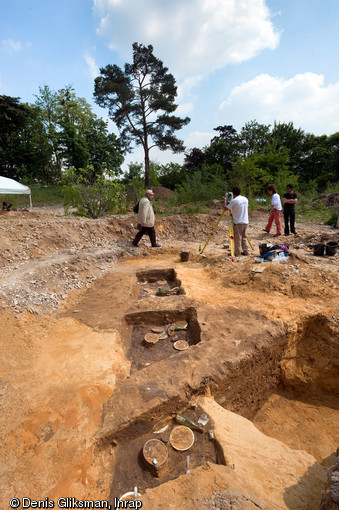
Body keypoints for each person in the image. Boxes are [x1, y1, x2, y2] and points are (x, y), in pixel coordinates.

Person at [223, 186, 249, 257]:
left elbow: (226, 208)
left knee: (237, 238)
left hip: (238, 223)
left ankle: (237, 253)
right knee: (244, 237)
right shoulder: (245, 199)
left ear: (233, 194)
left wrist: (225, 200)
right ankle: (246, 251)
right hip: (246, 222)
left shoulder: (234, 201)